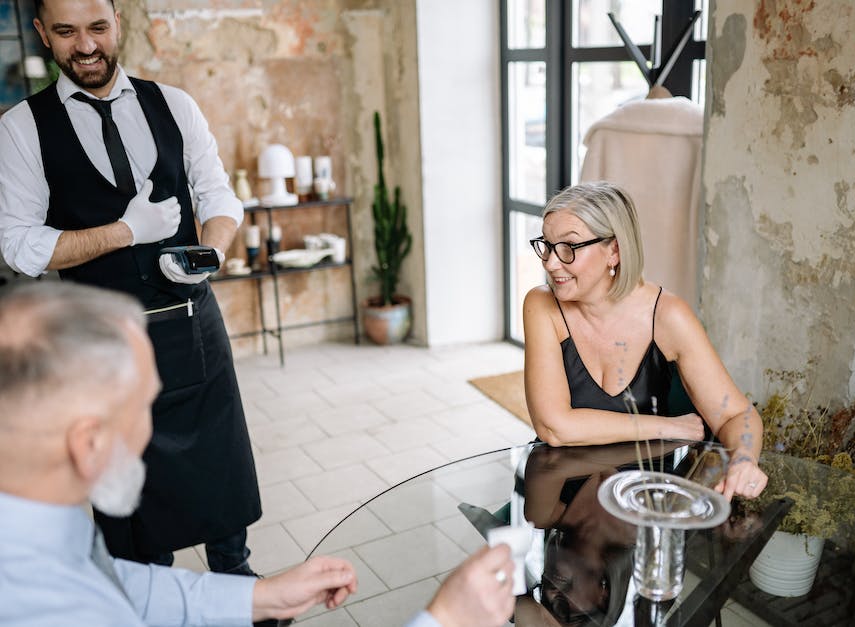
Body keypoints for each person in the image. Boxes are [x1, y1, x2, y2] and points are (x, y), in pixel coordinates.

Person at [0, 282, 517, 627]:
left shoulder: (36, 523)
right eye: (144, 407)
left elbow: (121, 584)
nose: (153, 428)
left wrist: (260, 597)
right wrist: (444, 620)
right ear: (88, 443)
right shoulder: (49, 609)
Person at [0, 0, 262, 572]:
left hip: (191, 323)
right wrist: (125, 232)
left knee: (218, 461)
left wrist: (210, 251)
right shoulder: (21, 128)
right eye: (67, 32)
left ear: (119, 23)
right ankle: (146, 590)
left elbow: (217, 194)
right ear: (43, 33)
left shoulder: (174, 104)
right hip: (97, 343)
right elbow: (20, 248)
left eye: (97, 27)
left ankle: (235, 573)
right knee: (127, 489)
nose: (86, 46)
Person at [522, 182, 767, 499]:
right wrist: (666, 427)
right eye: (547, 245)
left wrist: (744, 461)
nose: (551, 263)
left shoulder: (668, 316)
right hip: (560, 491)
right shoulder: (542, 306)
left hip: (644, 499)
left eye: (568, 248)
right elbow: (554, 427)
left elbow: (738, 415)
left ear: (614, 250)